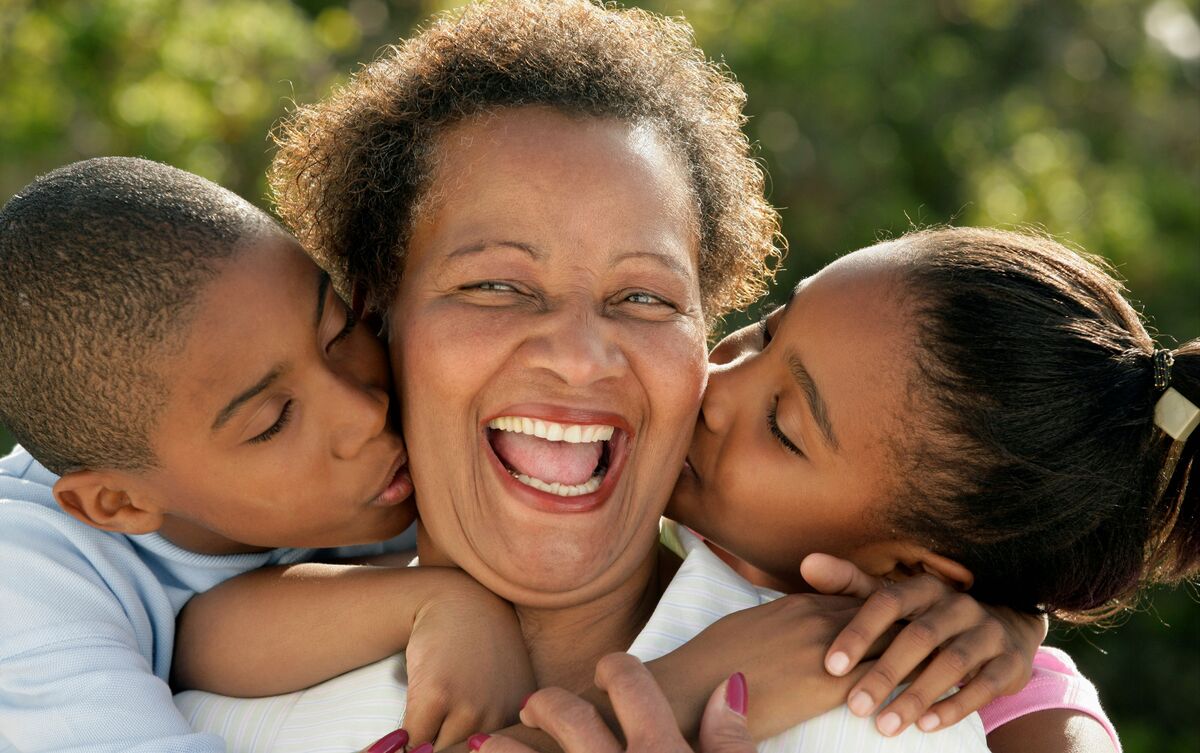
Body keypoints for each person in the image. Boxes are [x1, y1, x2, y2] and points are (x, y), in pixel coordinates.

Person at [170, 3, 1112, 752]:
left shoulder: (864, 710)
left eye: (645, 299)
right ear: (378, 319)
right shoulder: (186, 672)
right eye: (496, 284)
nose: (580, 354)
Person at [0, 157, 537, 753]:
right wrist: (441, 600)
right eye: (272, 420)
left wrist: (448, 601)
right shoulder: (23, 576)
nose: (364, 411)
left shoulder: (402, 397)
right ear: (117, 503)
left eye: (340, 331)